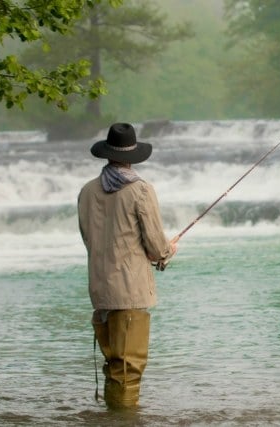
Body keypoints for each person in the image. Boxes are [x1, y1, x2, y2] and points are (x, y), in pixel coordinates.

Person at [78, 122, 178, 409]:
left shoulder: (87, 191)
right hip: (130, 291)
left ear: (107, 153)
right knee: (128, 370)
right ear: (133, 156)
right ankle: (124, 419)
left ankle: (112, 417)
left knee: (114, 366)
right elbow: (157, 248)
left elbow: (90, 240)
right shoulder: (141, 190)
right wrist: (168, 251)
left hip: (100, 290)